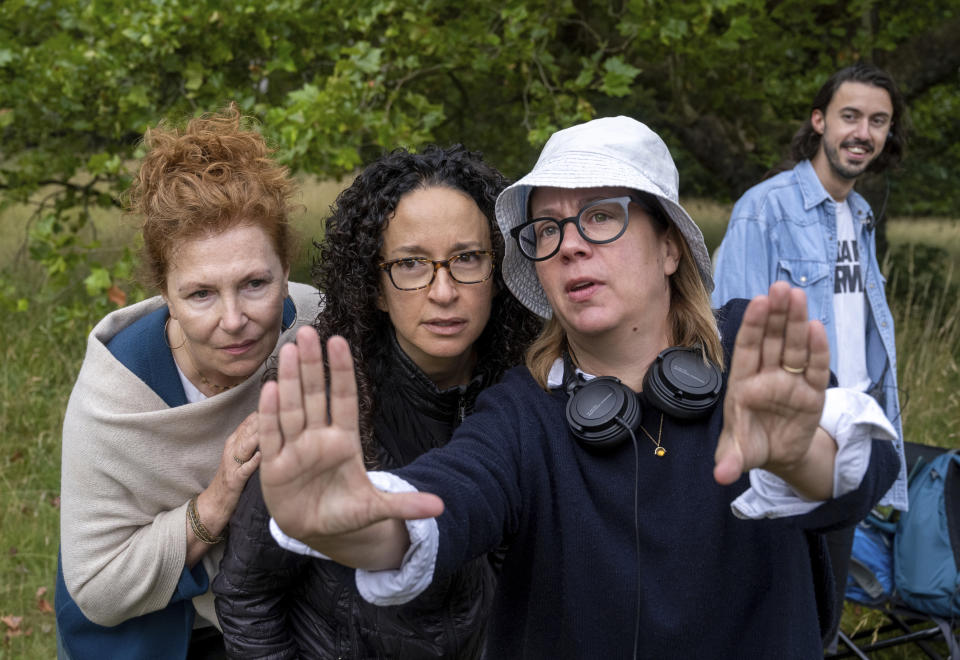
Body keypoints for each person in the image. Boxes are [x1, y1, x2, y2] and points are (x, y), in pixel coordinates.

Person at [258, 116, 900, 658]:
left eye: (601, 216)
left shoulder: (751, 352)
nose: (569, 246)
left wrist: (799, 456)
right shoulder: (521, 411)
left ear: (670, 246)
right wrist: (354, 525)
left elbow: (862, 462)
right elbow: (444, 501)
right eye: (548, 229)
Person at [212, 145, 541, 658]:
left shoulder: (527, 388)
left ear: (498, 273)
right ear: (377, 287)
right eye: (411, 264)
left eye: (467, 258)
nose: (444, 290)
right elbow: (247, 595)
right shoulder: (324, 405)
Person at [55, 106, 319, 659]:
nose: (233, 319)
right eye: (201, 293)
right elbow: (98, 589)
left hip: (283, 615)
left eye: (254, 283)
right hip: (151, 637)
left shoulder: (318, 328)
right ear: (164, 296)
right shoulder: (114, 398)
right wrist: (215, 503)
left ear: (286, 271)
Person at [711, 62, 909, 647]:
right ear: (820, 121)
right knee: (774, 617)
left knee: (822, 614)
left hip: (845, 441)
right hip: (784, 445)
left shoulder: (862, 215)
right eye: (850, 116)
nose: (863, 133)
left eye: (878, 121)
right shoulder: (764, 209)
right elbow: (729, 329)